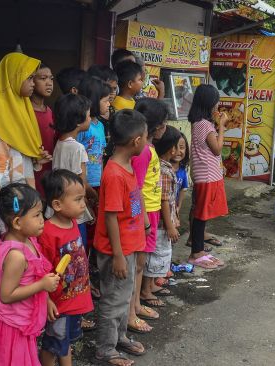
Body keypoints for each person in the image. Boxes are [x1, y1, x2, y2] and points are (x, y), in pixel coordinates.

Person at [0, 183, 60, 366]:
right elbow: (6, 295)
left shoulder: (28, 239)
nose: (42, 219)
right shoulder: (16, 255)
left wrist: (45, 299)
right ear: (17, 222)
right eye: (37, 215)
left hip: (20, 321)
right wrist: (42, 286)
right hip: (11, 327)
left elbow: (34, 276)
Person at [93, 109, 148, 366]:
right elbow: (111, 217)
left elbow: (132, 201)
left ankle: (119, 337)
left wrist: (144, 222)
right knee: (113, 299)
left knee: (123, 298)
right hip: (117, 249)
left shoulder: (125, 165)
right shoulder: (114, 174)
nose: (147, 142)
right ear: (136, 140)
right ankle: (105, 348)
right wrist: (117, 256)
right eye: (146, 137)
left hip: (128, 245)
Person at [38, 170, 94, 366]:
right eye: (77, 199)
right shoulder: (46, 233)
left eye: (83, 198)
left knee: (65, 342)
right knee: (52, 344)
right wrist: (46, 301)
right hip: (59, 304)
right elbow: (39, 272)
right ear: (57, 204)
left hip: (75, 299)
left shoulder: (72, 223)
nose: (83, 203)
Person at [128, 97, 169, 333]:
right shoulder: (144, 152)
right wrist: (142, 220)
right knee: (138, 264)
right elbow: (137, 188)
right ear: (156, 127)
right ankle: (132, 310)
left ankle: (136, 305)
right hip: (145, 213)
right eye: (164, 123)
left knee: (141, 264)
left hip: (149, 212)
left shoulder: (149, 150)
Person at [0, 52, 51, 189]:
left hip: (24, 183)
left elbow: (20, 149)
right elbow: (1, 156)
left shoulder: (23, 105)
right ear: (13, 77)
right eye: (29, 78)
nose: (33, 84)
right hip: (10, 188)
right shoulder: (0, 111)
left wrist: (35, 157)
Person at [188, 84, 228, 269]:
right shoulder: (205, 125)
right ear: (209, 103)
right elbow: (217, 148)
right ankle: (196, 253)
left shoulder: (198, 122)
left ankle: (198, 247)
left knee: (200, 213)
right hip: (207, 176)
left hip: (204, 173)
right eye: (216, 101)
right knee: (201, 215)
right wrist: (221, 126)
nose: (217, 104)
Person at [51, 93, 95, 244]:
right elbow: (82, 183)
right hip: (74, 206)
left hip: (60, 204)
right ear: (78, 122)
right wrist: (96, 197)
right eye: (88, 116)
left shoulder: (59, 143)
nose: (90, 119)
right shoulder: (78, 148)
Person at [146, 125, 181, 297]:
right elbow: (164, 200)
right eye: (177, 145)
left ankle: (151, 285)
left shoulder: (165, 167)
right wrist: (170, 225)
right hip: (161, 223)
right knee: (156, 254)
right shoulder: (164, 171)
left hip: (163, 221)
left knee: (158, 254)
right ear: (170, 148)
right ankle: (147, 288)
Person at [31, 63, 55, 196]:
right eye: (43, 78)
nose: (49, 83)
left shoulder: (49, 111)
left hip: (49, 169)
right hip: (34, 169)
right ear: (31, 81)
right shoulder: (27, 112)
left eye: (51, 78)